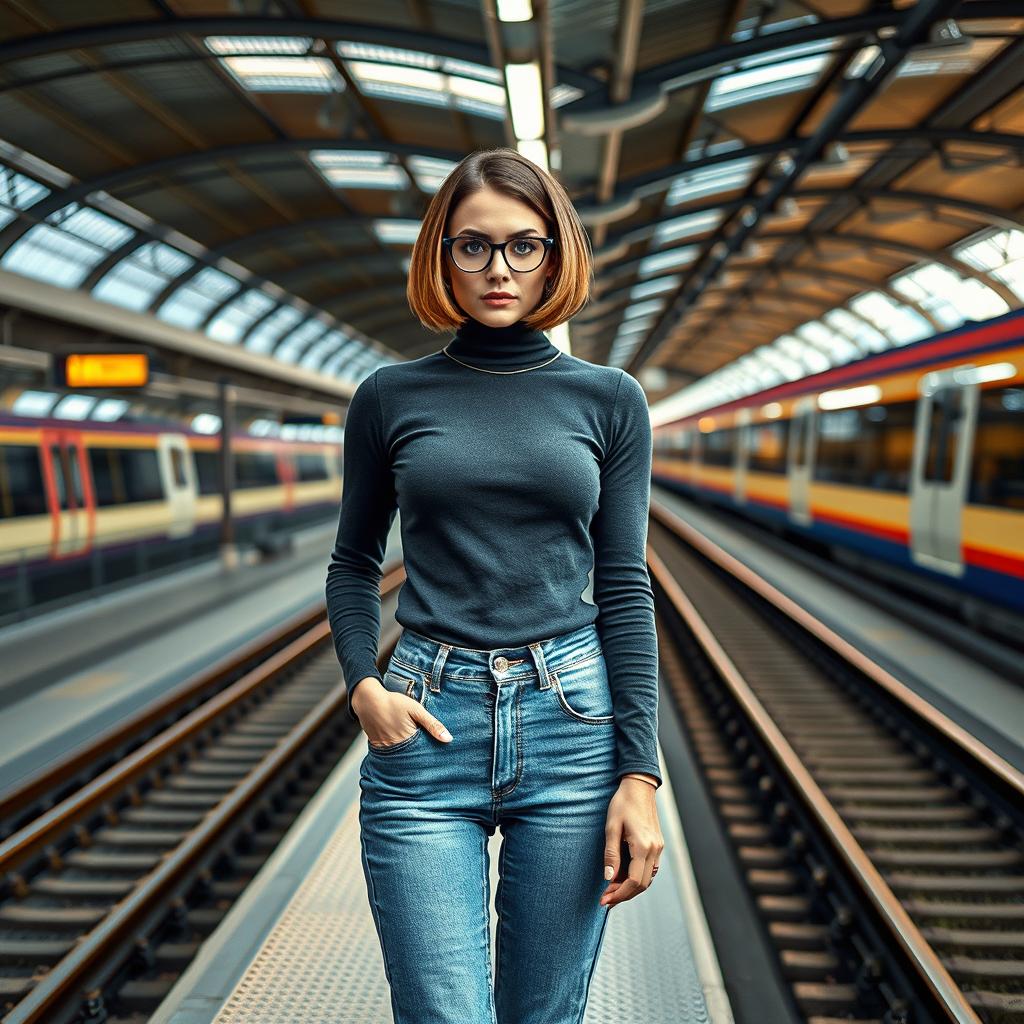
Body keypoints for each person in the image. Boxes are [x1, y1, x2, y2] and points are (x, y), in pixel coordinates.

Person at [325, 146, 665, 1024]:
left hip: (571, 726)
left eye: (525, 245)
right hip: (427, 724)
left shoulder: (610, 399)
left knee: (543, 1014)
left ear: (556, 256)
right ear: (442, 255)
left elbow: (625, 586)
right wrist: (364, 684)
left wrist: (642, 773)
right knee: (442, 1013)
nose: (499, 269)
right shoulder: (390, 396)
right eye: (473, 246)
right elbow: (353, 561)